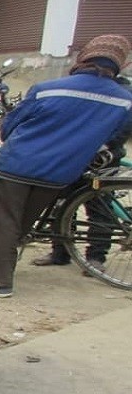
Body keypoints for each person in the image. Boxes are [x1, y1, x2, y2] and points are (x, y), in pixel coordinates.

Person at [0, 34, 132, 298]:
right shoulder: (123, 100)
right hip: (60, 173)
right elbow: (113, 138)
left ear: (84, 57)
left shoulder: (48, 87)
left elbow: (10, 126)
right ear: (120, 63)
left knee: (0, 224)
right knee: (19, 224)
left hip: (18, 166)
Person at [29, 75, 132, 274]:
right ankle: (60, 253)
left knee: (98, 206)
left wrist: (102, 146)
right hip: (70, 155)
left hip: (102, 158)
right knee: (60, 205)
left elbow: (122, 130)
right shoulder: (82, 87)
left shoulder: (123, 94)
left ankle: (95, 257)